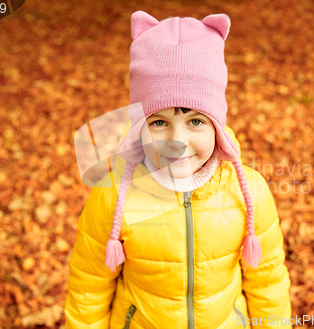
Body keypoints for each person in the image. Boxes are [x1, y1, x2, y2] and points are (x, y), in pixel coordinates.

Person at [64, 10, 292, 329]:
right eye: (159, 122)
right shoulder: (114, 196)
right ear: (138, 129)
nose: (177, 140)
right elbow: (89, 288)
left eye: (195, 121)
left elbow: (267, 283)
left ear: (217, 128)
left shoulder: (248, 192)